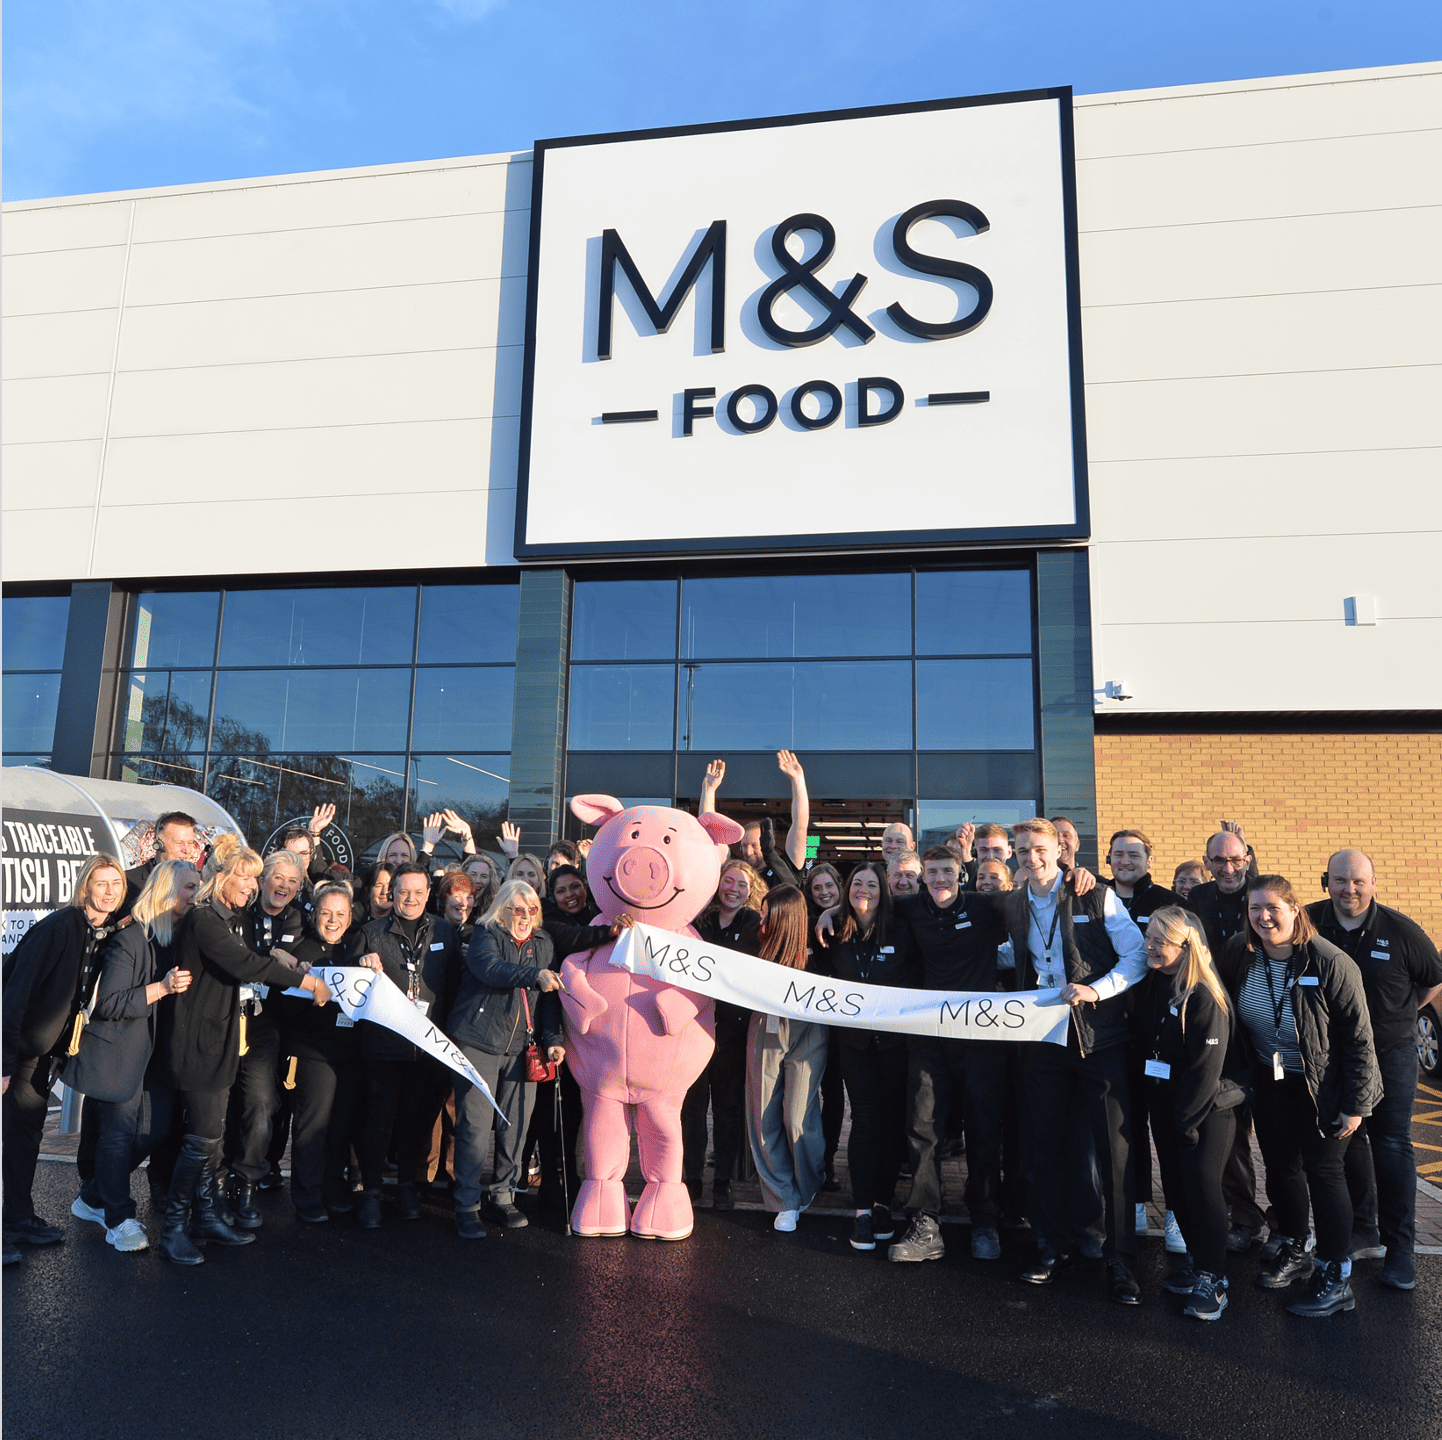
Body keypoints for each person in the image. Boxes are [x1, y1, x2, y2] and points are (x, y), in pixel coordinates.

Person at [160, 846, 331, 1265]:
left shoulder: (228, 919)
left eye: (255, 879)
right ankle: (173, 1229)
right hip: (197, 1042)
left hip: (222, 1039)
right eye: (245, 878)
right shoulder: (205, 919)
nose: (253, 887)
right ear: (222, 878)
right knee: (200, 1139)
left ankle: (205, 1218)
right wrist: (306, 982)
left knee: (211, 1135)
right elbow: (246, 965)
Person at [1005, 819, 1150, 1305]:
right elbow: (1007, 955)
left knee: (1115, 1152)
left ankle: (1121, 1259)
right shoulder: (1011, 903)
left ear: (1060, 848)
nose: (1031, 856)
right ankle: (1052, 1246)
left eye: (1039, 848)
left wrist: (1096, 990)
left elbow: (1136, 956)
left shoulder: (1094, 894)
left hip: (1098, 1038)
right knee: (1043, 1146)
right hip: (1042, 1039)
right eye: (1022, 849)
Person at [1225, 875, 1380, 1317]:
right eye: (1255, 908)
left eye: (1273, 907)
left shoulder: (1329, 962)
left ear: (1296, 909)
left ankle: (1336, 1273)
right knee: (1280, 1166)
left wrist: (1356, 1104)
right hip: (1273, 1082)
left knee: (1325, 1172)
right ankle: (1296, 1246)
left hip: (1326, 1088)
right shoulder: (1241, 952)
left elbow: (1359, 1039)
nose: (1263, 916)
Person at [1307, 850, 1441, 1291]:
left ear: (1373, 882)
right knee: (1349, 1140)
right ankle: (1362, 1230)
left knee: (1391, 1143)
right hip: (1334, 1058)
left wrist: (1400, 1014)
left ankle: (1400, 1249)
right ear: (1327, 881)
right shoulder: (1308, 923)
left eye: (1359, 881)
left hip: (1391, 1054)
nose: (1350, 889)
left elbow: (1432, 981)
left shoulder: (1401, 931)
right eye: (1341, 880)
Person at [63, 861, 198, 1252]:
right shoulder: (131, 937)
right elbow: (109, 1003)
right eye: (189, 887)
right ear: (167, 890)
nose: (195, 895)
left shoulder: (177, 934)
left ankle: (91, 1197)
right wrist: (163, 987)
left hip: (154, 1056)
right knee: (119, 1137)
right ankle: (118, 1219)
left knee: (154, 1132)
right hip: (117, 1053)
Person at [2, 854, 128, 1249]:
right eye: (102, 883)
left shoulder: (99, 932)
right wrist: (4, 1062)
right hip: (15, 1052)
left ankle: (17, 1219)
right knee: (14, 1137)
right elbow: (14, 994)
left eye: (117, 885)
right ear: (85, 886)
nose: (110, 892)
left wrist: (58, 1053)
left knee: (25, 1137)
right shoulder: (60, 927)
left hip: (38, 1054)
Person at [1135, 906, 1243, 1320]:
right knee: (1178, 1190)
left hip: (1205, 1114)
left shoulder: (1204, 994)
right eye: (1149, 936)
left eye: (1159, 941)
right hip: (1169, 1108)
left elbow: (1205, 1069)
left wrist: (1186, 1123)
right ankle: (1199, 1265)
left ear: (1185, 946)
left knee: (1201, 1187)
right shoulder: (1155, 983)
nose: (1149, 946)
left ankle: (1214, 1280)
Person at [348, 861, 465, 1227]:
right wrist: (359, 963)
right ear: (391, 893)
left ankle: (408, 1187)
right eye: (403, 892)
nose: (410, 899)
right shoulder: (369, 932)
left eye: (418, 892)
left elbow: (457, 986)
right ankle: (370, 1193)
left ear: (429, 894)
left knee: (416, 1123)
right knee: (379, 1121)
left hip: (428, 1047)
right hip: (383, 1046)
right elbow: (350, 982)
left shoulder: (447, 931)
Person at [447, 880, 566, 1239]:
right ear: (502, 909)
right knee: (476, 1127)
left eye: (531, 910)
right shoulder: (485, 934)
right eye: (517, 908)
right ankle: (467, 1204)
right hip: (478, 1041)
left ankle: (502, 1195)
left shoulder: (543, 943)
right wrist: (534, 975)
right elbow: (490, 969)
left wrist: (553, 1040)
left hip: (522, 1048)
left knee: (516, 1125)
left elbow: (547, 1000)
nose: (524, 916)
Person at [819, 861, 914, 1251]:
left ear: (883, 891)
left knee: (891, 1124)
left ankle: (882, 1204)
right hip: (854, 1047)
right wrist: (827, 912)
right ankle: (861, 1209)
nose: (864, 890)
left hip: (894, 1046)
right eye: (857, 883)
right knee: (864, 1121)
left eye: (872, 884)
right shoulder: (833, 931)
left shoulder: (904, 930)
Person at [1105, 829, 1187, 1252]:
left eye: (1134, 854)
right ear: (1109, 859)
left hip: (1162, 1030)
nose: (1126, 861)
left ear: (1148, 860)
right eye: (1118, 854)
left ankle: (1177, 1213)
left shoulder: (1171, 905)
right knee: (1128, 1126)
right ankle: (1135, 1202)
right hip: (1117, 1033)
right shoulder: (1096, 899)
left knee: (1169, 1128)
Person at [271, 882, 369, 1223]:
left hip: (350, 1053)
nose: (333, 920)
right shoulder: (300, 951)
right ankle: (306, 1195)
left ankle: (331, 1187)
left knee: (340, 1126)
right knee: (312, 1127)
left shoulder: (357, 947)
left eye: (340, 913)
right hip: (313, 1052)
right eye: (326, 913)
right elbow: (282, 1008)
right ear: (314, 914)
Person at [683, 858, 764, 1209]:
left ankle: (723, 1182)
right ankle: (692, 1178)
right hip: (695, 1029)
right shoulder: (698, 921)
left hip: (733, 1033)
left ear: (750, 891)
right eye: (728, 881)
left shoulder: (754, 923)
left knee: (729, 1111)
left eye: (741, 884)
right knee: (692, 1109)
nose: (733, 889)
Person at [745, 884, 827, 1232]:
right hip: (766, 1024)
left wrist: (833, 912)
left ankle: (808, 1183)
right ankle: (783, 1197)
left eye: (767, 915)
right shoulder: (754, 942)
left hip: (810, 1028)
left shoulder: (822, 943)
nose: (760, 921)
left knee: (797, 1115)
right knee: (763, 1113)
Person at [703, 751, 810, 887]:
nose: (748, 852)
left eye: (754, 846)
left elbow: (800, 826)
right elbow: (710, 830)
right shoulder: (735, 870)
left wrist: (797, 780)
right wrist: (709, 790)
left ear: (768, 842)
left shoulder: (785, 867)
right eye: (744, 846)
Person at [121, 812, 203, 917]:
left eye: (191, 843)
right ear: (159, 844)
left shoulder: (199, 884)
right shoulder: (129, 881)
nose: (187, 850)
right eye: (179, 843)